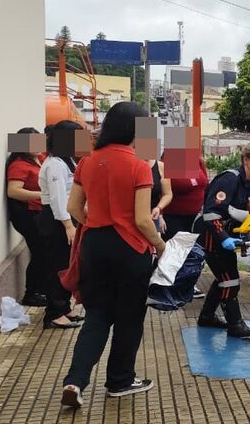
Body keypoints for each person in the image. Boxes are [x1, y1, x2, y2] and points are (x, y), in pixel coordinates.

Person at [61, 102, 165, 407]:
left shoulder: (87, 162)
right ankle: (119, 381)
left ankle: (75, 381)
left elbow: (72, 208)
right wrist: (160, 245)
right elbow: (143, 219)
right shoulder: (138, 165)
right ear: (135, 130)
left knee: (96, 316)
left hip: (94, 246)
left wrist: (94, 224)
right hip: (130, 250)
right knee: (129, 318)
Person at [193, 143, 250, 338]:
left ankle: (207, 316)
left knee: (223, 278)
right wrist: (224, 238)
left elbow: (248, 206)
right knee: (230, 280)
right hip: (211, 236)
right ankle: (235, 324)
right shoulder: (229, 180)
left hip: (225, 235)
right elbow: (210, 213)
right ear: (246, 160)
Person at [37, 121, 84, 329]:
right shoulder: (54, 163)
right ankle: (54, 312)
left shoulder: (67, 161)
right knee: (57, 266)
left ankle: (64, 307)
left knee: (67, 263)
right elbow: (57, 198)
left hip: (65, 218)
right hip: (57, 220)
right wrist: (68, 226)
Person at [6, 127, 47, 307]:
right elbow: (13, 191)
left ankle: (40, 289)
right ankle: (31, 294)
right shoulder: (19, 165)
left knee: (44, 252)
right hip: (27, 215)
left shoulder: (40, 158)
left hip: (39, 212)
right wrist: (42, 195)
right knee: (39, 252)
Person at [161, 153, 208, 298]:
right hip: (173, 215)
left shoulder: (197, 161)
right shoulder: (168, 161)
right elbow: (160, 190)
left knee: (193, 252)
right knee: (176, 252)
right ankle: (169, 288)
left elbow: (205, 185)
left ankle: (187, 285)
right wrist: (160, 214)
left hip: (195, 216)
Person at [148, 156, 173, 235]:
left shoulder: (161, 167)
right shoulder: (130, 164)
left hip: (153, 216)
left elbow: (167, 194)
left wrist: (159, 208)